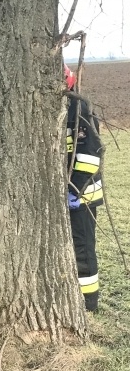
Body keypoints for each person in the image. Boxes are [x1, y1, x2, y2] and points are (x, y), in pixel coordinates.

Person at [64, 64, 103, 312]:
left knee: (82, 250)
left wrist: (74, 191)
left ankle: (89, 304)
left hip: (82, 197)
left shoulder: (79, 111)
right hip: (66, 195)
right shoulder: (58, 110)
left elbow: (89, 156)